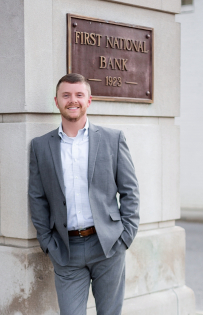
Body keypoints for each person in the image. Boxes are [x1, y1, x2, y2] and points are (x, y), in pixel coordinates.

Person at [29, 73, 140, 315]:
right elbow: (37, 198)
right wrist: (48, 242)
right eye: (66, 95)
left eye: (79, 95)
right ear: (56, 101)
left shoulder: (113, 139)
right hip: (66, 250)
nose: (73, 100)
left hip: (108, 246)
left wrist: (125, 236)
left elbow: (130, 191)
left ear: (89, 100)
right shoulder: (40, 146)